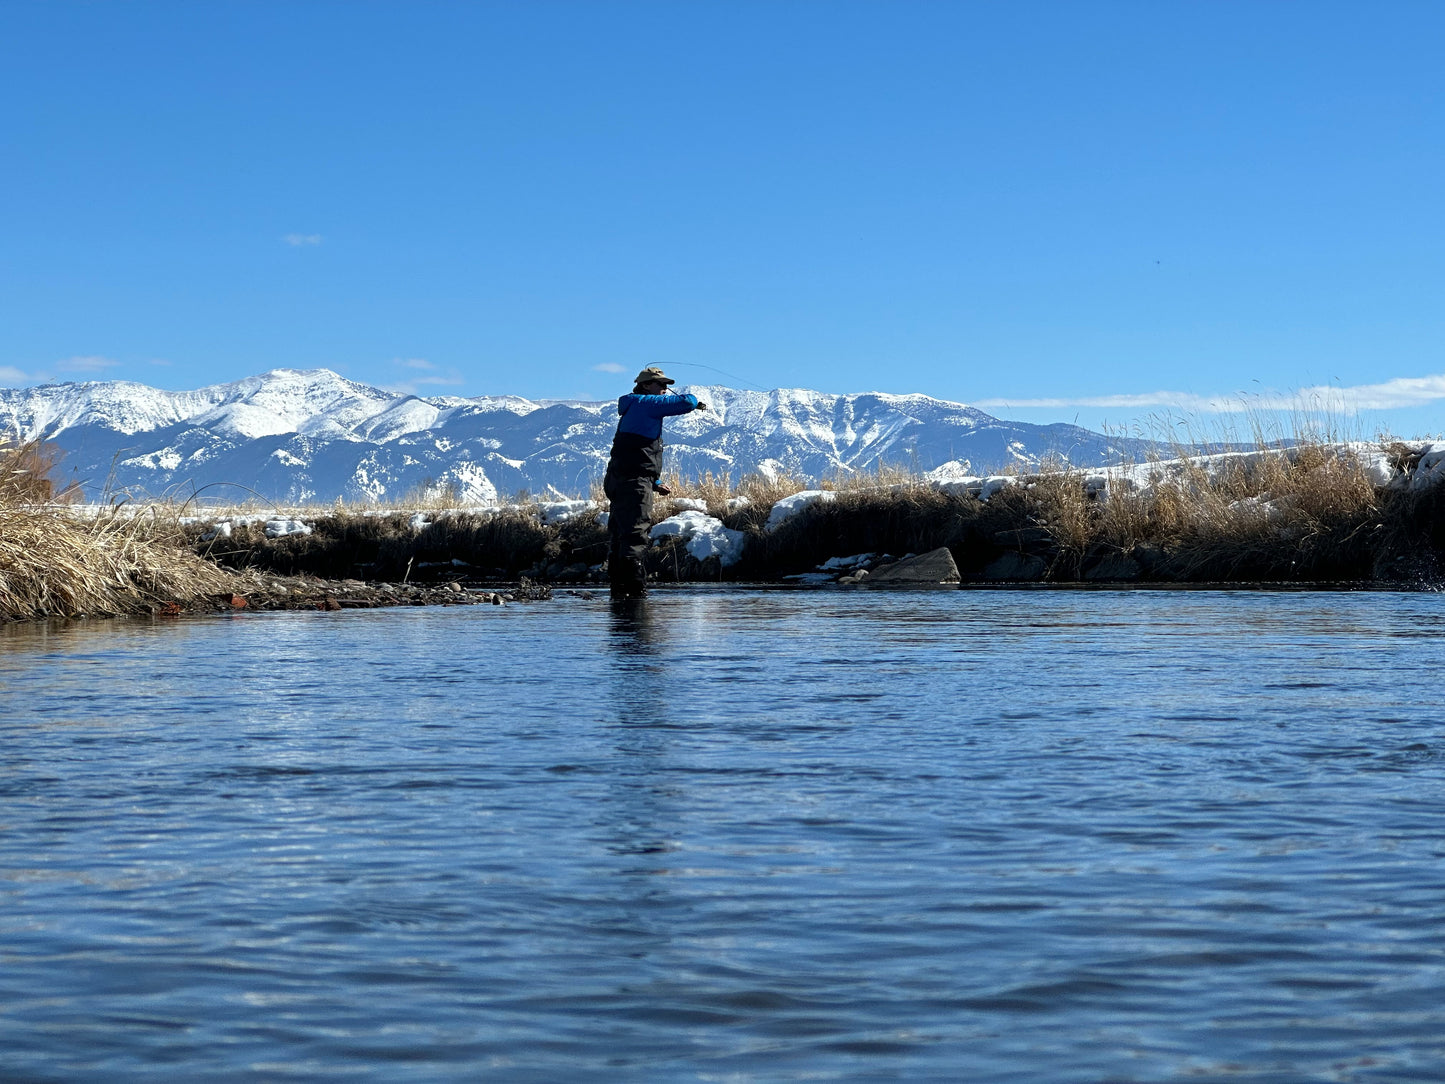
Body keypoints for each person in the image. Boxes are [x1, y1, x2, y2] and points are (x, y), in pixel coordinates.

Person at [603, 366, 707, 596]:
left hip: (619, 479)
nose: (664, 388)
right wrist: (690, 398)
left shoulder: (634, 408)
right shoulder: (646, 404)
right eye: (660, 384)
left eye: (666, 385)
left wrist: (655, 481)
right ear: (646, 385)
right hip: (634, 482)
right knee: (635, 534)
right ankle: (635, 592)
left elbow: (634, 453)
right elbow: (687, 403)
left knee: (620, 535)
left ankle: (618, 591)